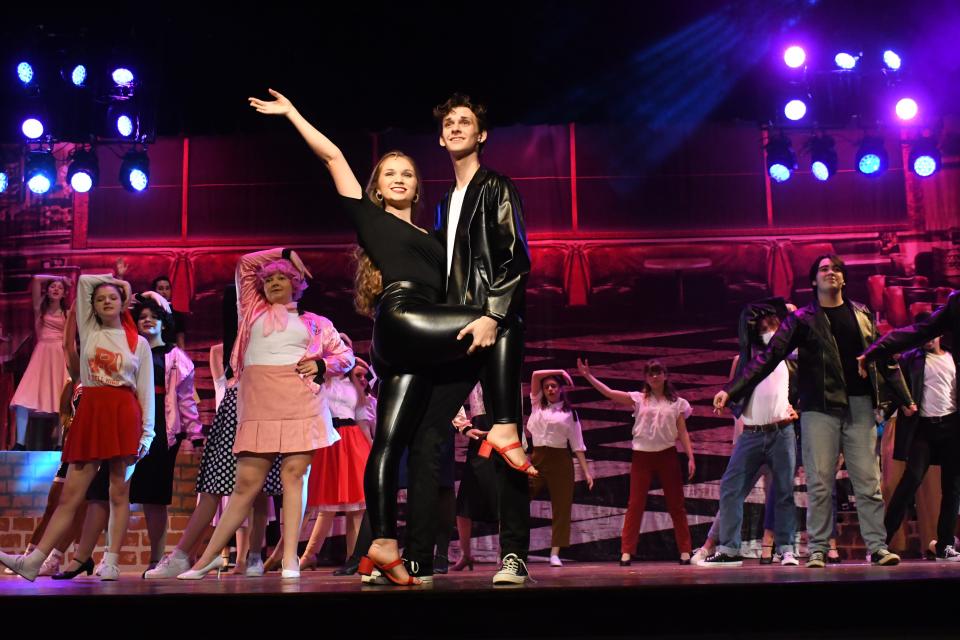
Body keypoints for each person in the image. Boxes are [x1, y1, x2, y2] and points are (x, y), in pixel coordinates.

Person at [249, 89, 533, 586]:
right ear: (376, 188)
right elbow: (334, 155)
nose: (400, 179)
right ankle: (506, 425)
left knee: (401, 440)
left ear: (417, 186)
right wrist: (294, 113)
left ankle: (385, 547)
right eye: (389, 174)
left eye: (407, 173)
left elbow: (475, 266)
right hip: (402, 319)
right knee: (501, 317)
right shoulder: (370, 218)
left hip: (424, 337)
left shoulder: (437, 231)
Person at [403, 93, 535, 585]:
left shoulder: (497, 187)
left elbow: (515, 259)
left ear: (481, 135)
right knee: (428, 431)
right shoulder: (443, 202)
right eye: (450, 123)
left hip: (495, 328)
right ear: (441, 137)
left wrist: (493, 316)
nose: (457, 127)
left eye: (467, 122)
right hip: (454, 330)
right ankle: (419, 557)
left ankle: (514, 556)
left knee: (506, 439)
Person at [716, 255, 915, 568]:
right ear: (813, 281)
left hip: (859, 405)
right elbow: (768, 357)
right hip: (819, 408)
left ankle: (877, 546)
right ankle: (819, 548)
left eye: (836, 269)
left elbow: (885, 357)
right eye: (824, 269)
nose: (831, 273)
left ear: (844, 279)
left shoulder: (862, 313)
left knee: (868, 482)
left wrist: (905, 397)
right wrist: (732, 389)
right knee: (820, 482)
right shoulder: (802, 319)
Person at [177, 249, 354, 580]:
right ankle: (208, 558)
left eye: (281, 277)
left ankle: (290, 559)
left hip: (300, 400)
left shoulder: (316, 323)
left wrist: (321, 364)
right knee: (245, 483)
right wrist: (287, 253)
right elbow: (246, 263)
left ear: (296, 284)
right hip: (259, 402)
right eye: (269, 279)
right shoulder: (252, 311)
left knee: (293, 477)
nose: (273, 282)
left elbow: (346, 357)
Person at [0, 273, 154, 581]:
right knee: (70, 496)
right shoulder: (90, 330)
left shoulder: (138, 343)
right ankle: (35, 561)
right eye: (100, 299)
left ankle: (110, 561)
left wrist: (147, 434)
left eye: (113, 297)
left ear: (123, 302)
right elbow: (84, 281)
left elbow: (145, 390)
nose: (106, 301)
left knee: (118, 493)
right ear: (92, 307)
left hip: (123, 412)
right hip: (92, 410)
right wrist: (117, 281)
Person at [700, 301, 799, 567]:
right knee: (730, 488)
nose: (768, 330)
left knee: (783, 492)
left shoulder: (790, 356)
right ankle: (730, 549)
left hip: (782, 432)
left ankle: (787, 549)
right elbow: (736, 387)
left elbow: (809, 384)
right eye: (763, 327)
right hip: (752, 435)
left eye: (773, 325)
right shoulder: (749, 359)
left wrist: (797, 409)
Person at [861, 311, 960, 561]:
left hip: (951, 428)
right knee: (910, 481)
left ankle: (945, 544)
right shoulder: (910, 359)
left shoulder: (952, 357)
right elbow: (890, 377)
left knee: (952, 488)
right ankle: (880, 543)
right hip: (922, 429)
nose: (927, 338)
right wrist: (903, 402)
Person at [578, 358, 695, 565]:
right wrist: (588, 376)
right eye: (651, 373)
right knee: (636, 503)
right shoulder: (639, 399)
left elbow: (683, 432)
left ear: (665, 375)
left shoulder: (678, 403)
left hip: (667, 454)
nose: (655, 377)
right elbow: (610, 393)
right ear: (646, 378)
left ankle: (685, 550)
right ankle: (626, 551)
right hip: (642, 456)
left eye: (658, 373)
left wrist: (690, 456)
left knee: (676, 504)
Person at [526, 369, 593, 567]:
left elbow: (577, 445)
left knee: (562, 507)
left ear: (561, 388)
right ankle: (513, 547)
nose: (549, 389)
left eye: (554, 385)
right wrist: (560, 371)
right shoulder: (537, 404)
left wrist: (586, 471)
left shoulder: (569, 414)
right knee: (520, 501)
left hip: (561, 460)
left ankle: (555, 552)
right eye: (546, 387)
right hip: (537, 458)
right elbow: (535, 375)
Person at [10, 274, 71, 450]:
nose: (56, 289)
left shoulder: (67, 314)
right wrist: (60, 277)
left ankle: (61, 443)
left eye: (60, 287)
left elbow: (70, 340)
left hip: (60, 356)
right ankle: (20, 443)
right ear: (47, 290)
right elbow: (36, 278)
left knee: (62, 400)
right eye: (53, 286)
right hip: (42, 355)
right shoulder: (40, 310)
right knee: (23, 398)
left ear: (64, 294)